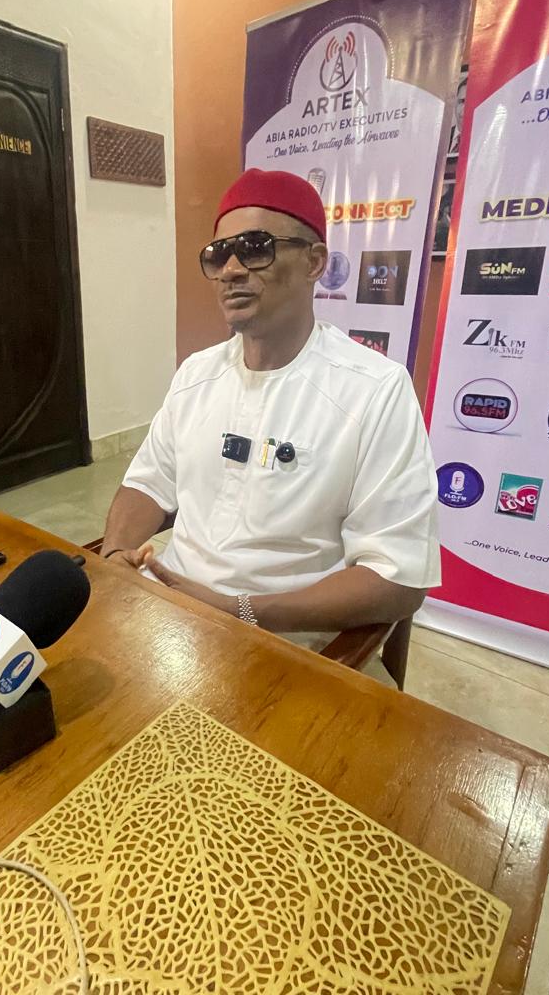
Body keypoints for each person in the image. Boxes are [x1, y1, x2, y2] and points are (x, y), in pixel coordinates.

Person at [101, 169, 440, 653]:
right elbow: (147, 484)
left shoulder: (375, 390)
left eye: (254, 248)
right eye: (218, 255)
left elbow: (399, 579)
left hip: (286, 640)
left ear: (314, 262)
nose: (231, 270)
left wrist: (240, 611)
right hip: (169, 615)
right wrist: (116, 555)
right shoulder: (197, 373)